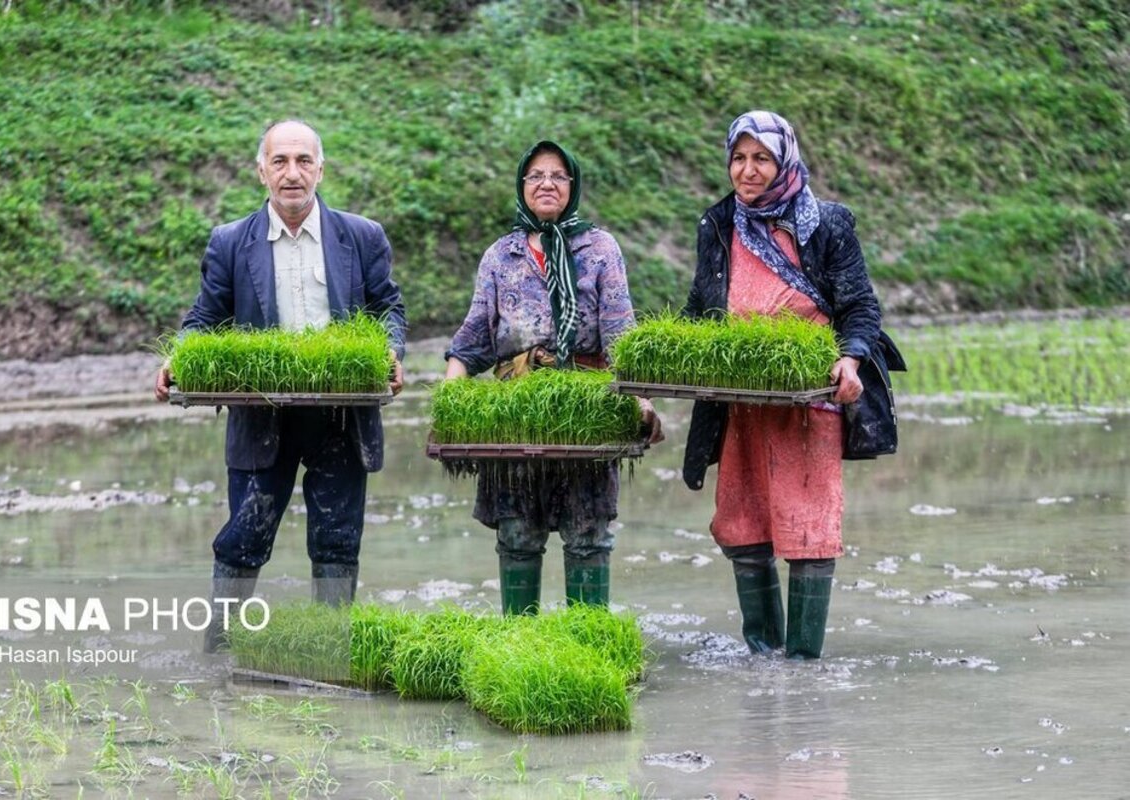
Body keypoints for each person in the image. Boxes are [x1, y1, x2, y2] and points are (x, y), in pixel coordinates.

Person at [154, 119, 406, 650]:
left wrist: (391, 349)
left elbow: (388, 309)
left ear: (320, 169)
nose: (292, 174)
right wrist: (182, 357)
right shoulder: (230, 242)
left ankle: (330, 650)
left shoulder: (361, 237)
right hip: (260, 414)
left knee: (337, 539)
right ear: (261, 172)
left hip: (342, 414)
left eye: (303, 161)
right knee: (243, 536)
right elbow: (205, 317)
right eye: (280, 162)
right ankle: (220, 653)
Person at [682, 110, 883, 660]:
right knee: (744, 520)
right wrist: (665, 363)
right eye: (739, 158)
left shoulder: (827, 222)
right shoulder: (719, 224)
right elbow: (701, 308)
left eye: (761, 158)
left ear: (784, 161)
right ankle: (763, 658)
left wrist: (851, 360)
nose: (748, 170)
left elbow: (860, 306)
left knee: (809, 519)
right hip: (739, 403)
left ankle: (803, 665)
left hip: (808, 398)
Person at [445, 140, 662, 615]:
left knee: (588, 534)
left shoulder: (600, 248)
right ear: (522, 187)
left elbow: (622, 335)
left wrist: (640, 400)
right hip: (516, 411)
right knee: (518, 534)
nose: (546, 184)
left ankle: (587, 647)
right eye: (536, 176)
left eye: (558, 176)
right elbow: (474, 338)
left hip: (586, 407)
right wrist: (451, 389)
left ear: (573, 185)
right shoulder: (501, 256)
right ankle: (520, 650)